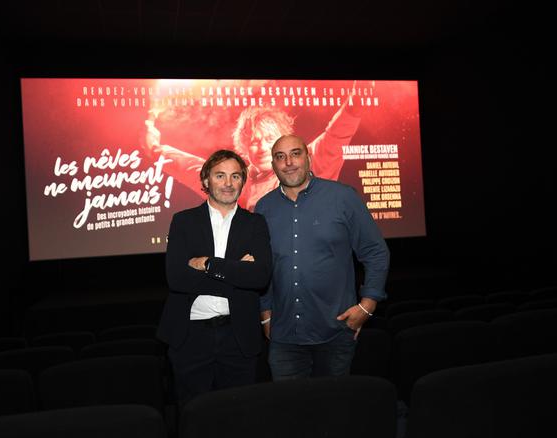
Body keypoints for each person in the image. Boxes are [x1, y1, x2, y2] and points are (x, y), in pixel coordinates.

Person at [254, 134, 389, 380]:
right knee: (290, 412)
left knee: (333, 411)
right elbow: (263, 267)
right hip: (284, 338)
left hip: (335, 331)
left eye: (295, 153)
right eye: (280, 157)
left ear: (309, 157)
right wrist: (265, 316)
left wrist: (368, 305)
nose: (289, 162)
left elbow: (375, 251)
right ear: (272, 165)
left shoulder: (343, 197)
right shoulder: (263, 208)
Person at [156, 149, 272, 405]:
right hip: (190, 337)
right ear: (206, 180)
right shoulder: (183, 221)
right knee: (193, 415)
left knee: (239, 416)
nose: (228, 183)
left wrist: (208, 264)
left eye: (235, 176)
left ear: (243, 181)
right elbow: (177, 278)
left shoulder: (255, 224)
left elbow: (260, 277)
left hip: (239, 337)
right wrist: (236, 272)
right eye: (220, 176)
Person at [142, 87, 362, 211]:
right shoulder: (237, 179)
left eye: (267, 138)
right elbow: (189, 165)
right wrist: (155, 149)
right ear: (244, 145)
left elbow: (335, 136)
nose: (260, 146)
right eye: (252, 140)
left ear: (283, 140)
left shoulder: (304, 165)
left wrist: (356, 102)